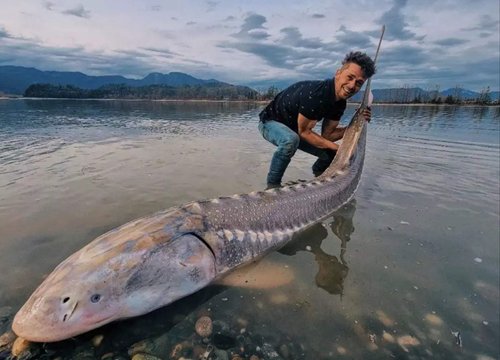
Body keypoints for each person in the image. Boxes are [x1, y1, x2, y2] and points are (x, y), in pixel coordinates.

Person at [258, 51, 376, 189]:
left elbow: (328, 136)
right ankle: (272, 187)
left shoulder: (340, 103)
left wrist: (357, 124)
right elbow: (304, 133)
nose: (351, 85)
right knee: (290, 140)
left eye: (358, 83)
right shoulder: (317, 94)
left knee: (331, 153)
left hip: (296, 129)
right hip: (270, 122)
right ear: (338, 73)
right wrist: (341, 150)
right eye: (349, 77)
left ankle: (318, 179)